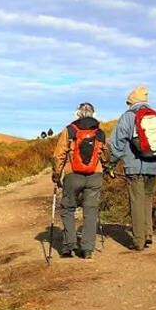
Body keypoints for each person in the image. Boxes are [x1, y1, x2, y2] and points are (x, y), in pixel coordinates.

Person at [108, 85, 156, 251]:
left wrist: (111, 164)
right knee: (147, 199)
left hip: (134, 167)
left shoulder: (128, 117)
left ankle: (138, 241)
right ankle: (148, 235)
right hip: (154, 166)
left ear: (131, 102)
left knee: (136, 201)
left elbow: (116, 144)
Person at [50, 102, 108, 259]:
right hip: (95, 175)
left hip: (72, 175)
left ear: (77, 113)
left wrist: (56, 175)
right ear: (94, 114)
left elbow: (58, 155)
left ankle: (69, 246)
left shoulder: (69, 130)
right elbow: (105, 155)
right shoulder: (100, 132)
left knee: (68, 208)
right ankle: (88, 249)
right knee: (91, 211)